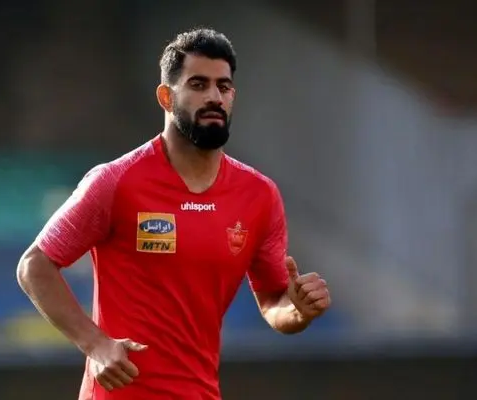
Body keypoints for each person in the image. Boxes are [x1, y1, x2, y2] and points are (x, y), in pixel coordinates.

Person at [16, 27, 331, 400]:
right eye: (198, 84)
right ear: (166, 97)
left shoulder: (259, 195)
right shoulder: (115, 181)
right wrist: (95, 343)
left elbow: (274, 303)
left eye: (224, 87)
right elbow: (34, 266)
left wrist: (298, 309)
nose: (214, 97)